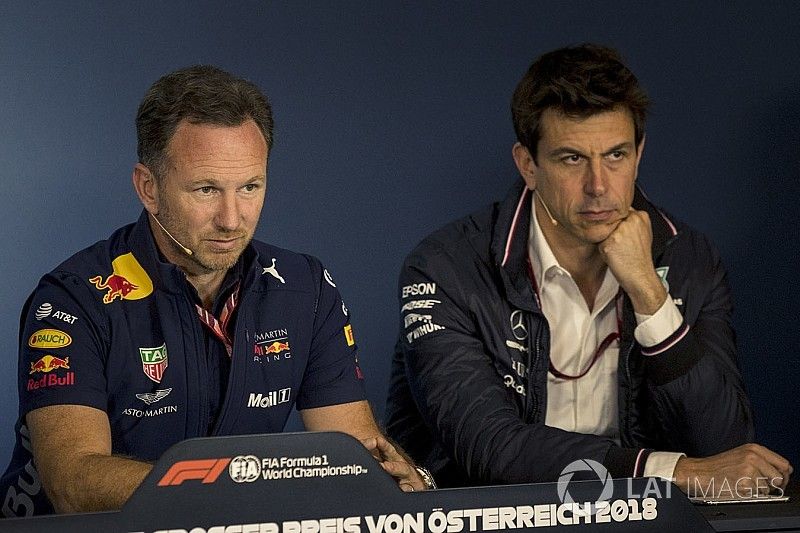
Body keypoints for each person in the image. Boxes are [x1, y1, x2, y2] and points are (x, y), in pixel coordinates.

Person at [0, 65, 429, 518]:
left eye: (250, 187)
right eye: (206, 189)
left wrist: (395, 481)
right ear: (148, 187)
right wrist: (241, 488)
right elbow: (73, 483)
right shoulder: (74, 299)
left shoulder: (306, 289)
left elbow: (356, 459)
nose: (231, 218)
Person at [385, 44, 793, 494]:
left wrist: (649, 295)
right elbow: (487, 447)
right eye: (572, 158)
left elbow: (722, 443)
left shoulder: (689, 258)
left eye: (616, 155)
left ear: (639, 153)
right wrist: (671, 472)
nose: (598, 186)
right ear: (529, 165)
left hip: (641, 522)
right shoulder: (445, 267)